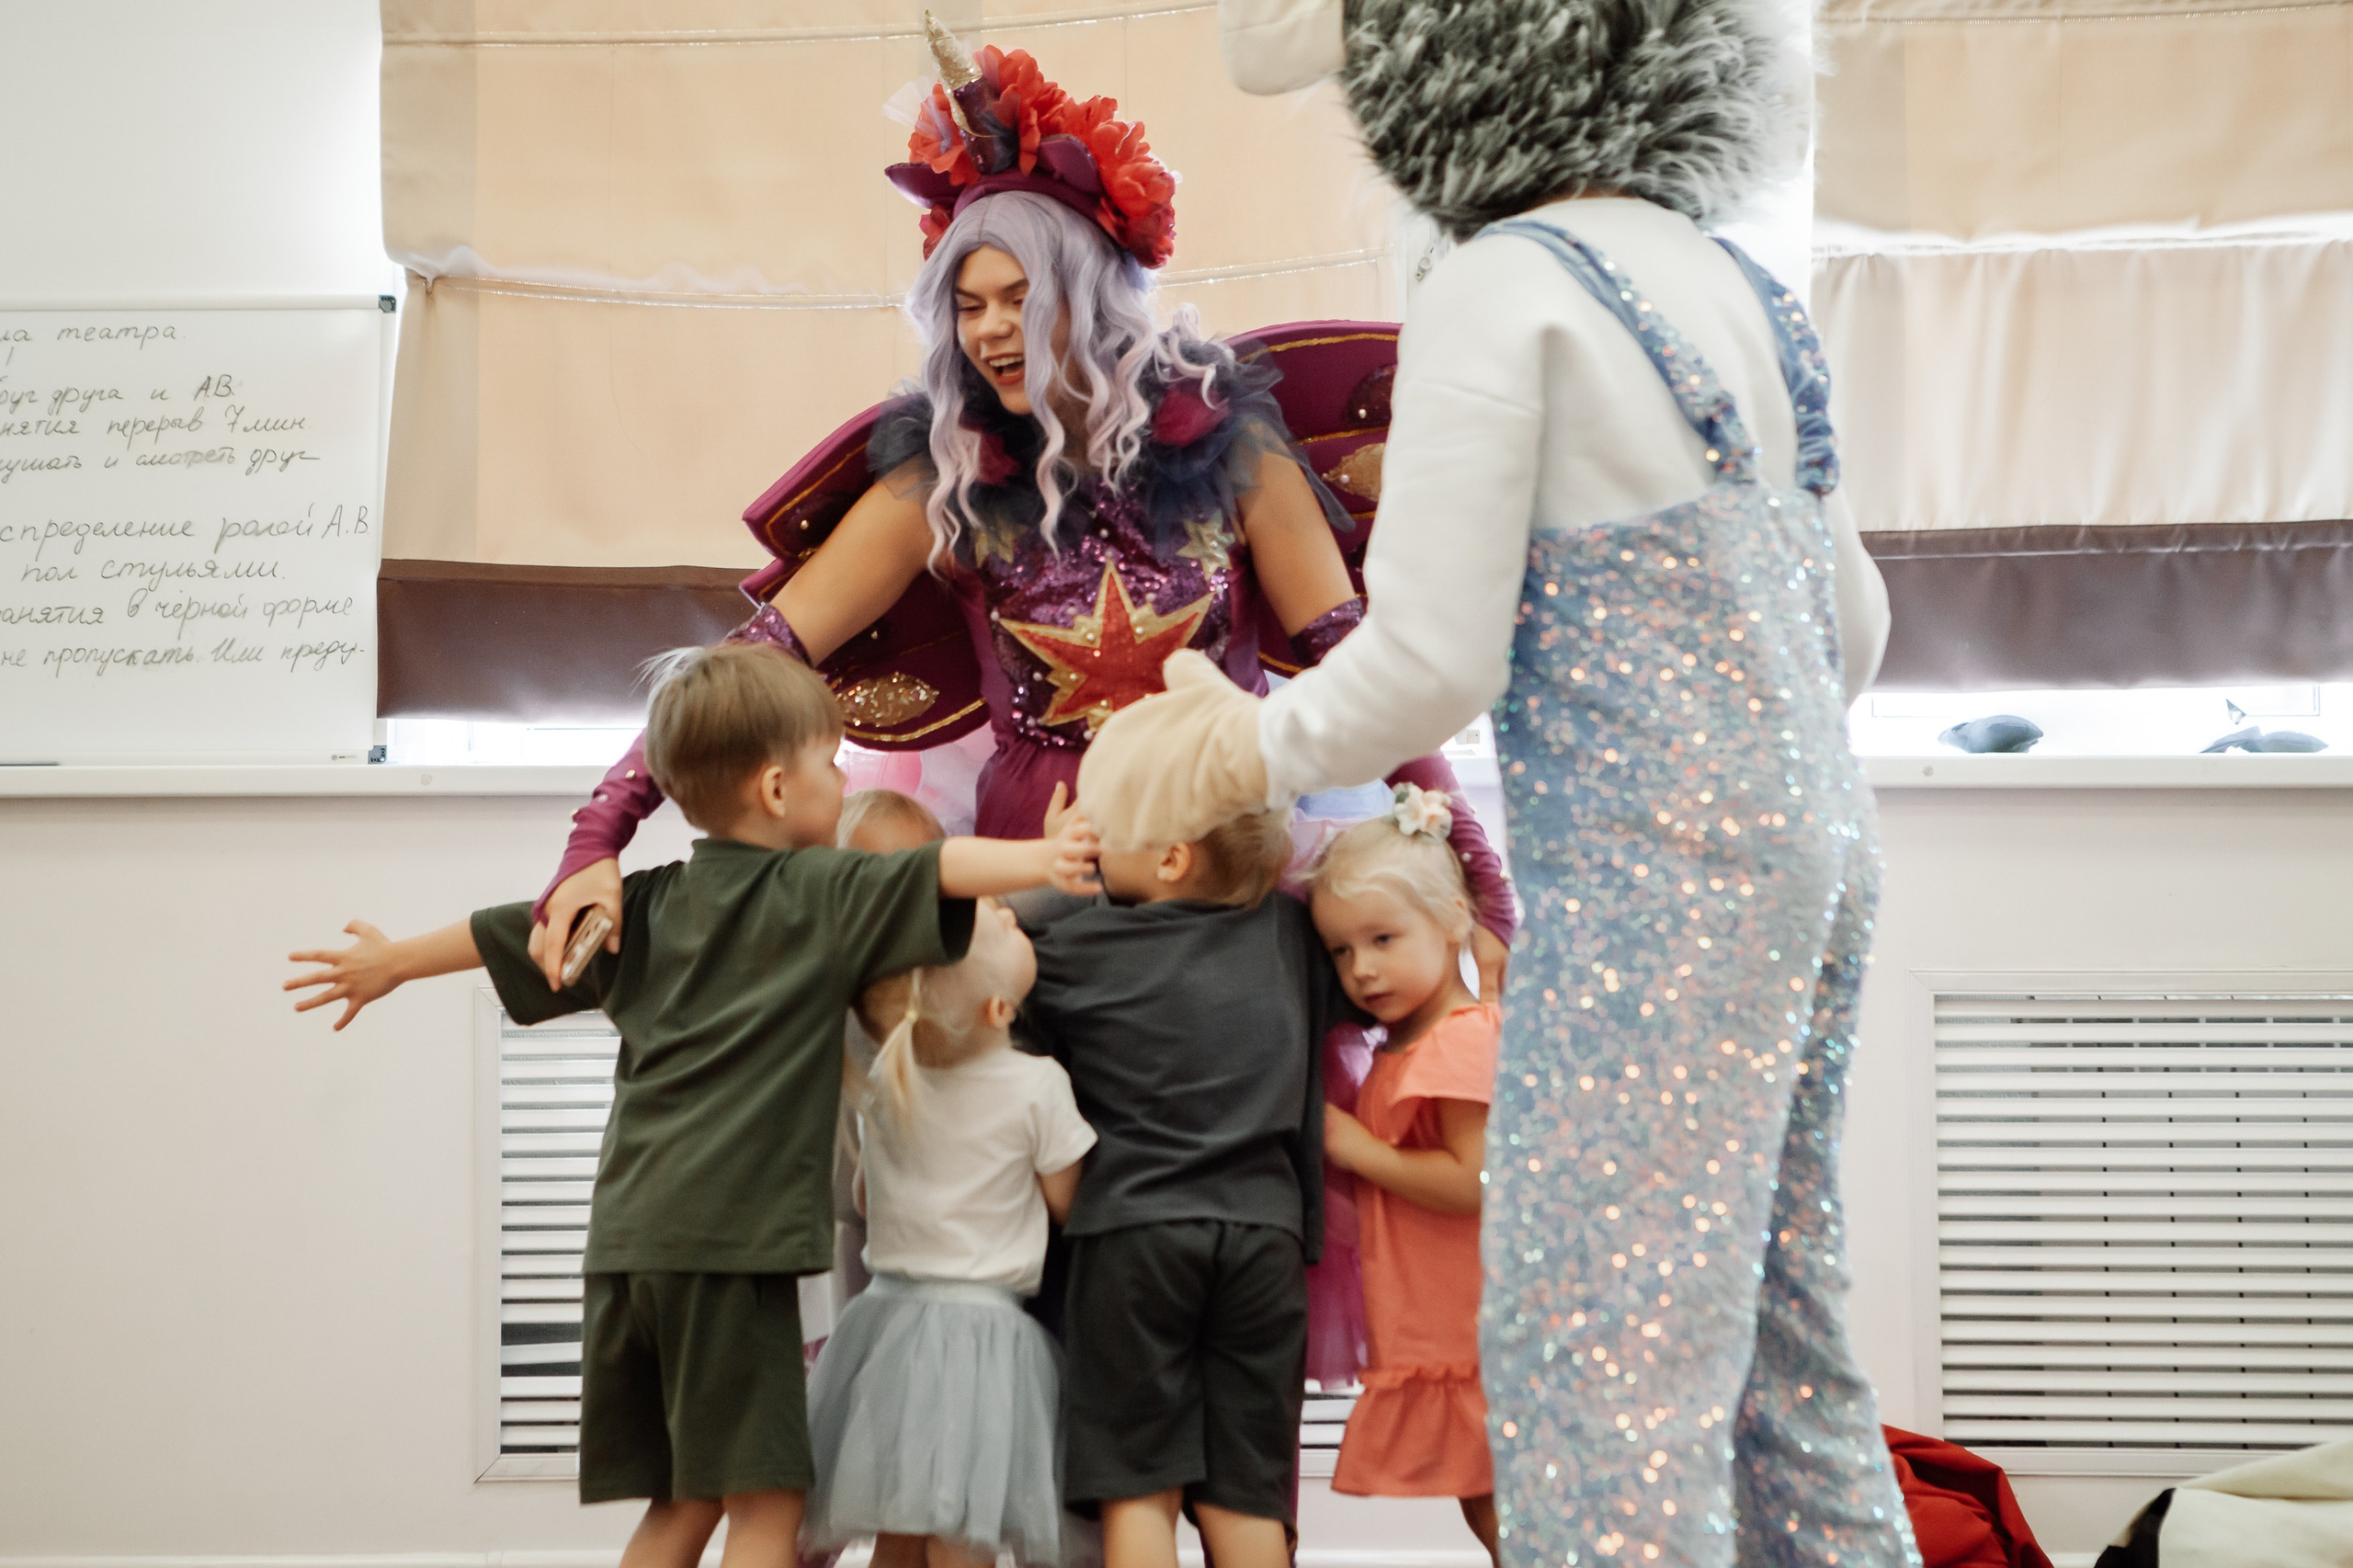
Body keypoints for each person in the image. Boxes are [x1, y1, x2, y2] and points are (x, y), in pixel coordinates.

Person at [1082, 1, 1920, 1562]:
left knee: (1597, 1357)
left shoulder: (1500, 285)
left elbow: (1429, 662)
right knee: (1781, 1341)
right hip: (1815, 855)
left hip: (1655, 884)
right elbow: (1853, 631)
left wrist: (1225, 746)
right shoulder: (1742, 286)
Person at [521, 21, 1514, 1008]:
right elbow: (751, 666)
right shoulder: (945, 475)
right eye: (968, 305)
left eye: (1019, 297)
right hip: (1038, 898)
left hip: (1224, 879)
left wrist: (1482, 879)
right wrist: (595, 839)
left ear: (1089, 294)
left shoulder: (1229, 443)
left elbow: (1361, 670)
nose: (992, 329)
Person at [283, 643, 1098, 1568]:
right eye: (830, 761)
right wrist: (1045, 854)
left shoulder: (644, 905)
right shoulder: (816, 894)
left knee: (686, 1495)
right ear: (778, 789)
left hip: (630, 1241)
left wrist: (394, 961)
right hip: (730, 1246)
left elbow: (515, 928)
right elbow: (942, 867)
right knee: (769, 1499)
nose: (842, 777)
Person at [1016, 805, 1343, 1568]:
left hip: (1134, 1236)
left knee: (1139, 1487)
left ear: (1170, 858)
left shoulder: (1076, 948)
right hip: (1266, 1238)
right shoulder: (1288, 934)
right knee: (1248, 1493)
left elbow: (978, 952)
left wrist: (1047, 859)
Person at [801, 898, 1096, 1568]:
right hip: (979, 1339)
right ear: (1000, 1009)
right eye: (1007, 927)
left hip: (885, 1327)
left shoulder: (889, 1074)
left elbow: (866, 1199)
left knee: (900, 1524)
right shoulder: (1037, 1083)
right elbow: (1068, 1205)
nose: (1013, 916)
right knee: (962, 1527)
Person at [1307, 787, 1498, 1564]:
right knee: (1482, 1499)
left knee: (1504, 1502)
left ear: (1453, 919)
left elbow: (1474, 1180)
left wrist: (1358, 1150)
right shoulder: (1402, 1049)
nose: (1362, 969)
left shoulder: (1460, 1040)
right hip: (1430, 1315)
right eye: (1341, 951)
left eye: (1383, 939)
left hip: (1472, 1321)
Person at [832, 788, 950, 1310]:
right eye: (875, 882)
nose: (896, 900)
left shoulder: (944, 975)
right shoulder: (834, 975)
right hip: (850, 1208)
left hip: (935, 1216)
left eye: (914, 880)